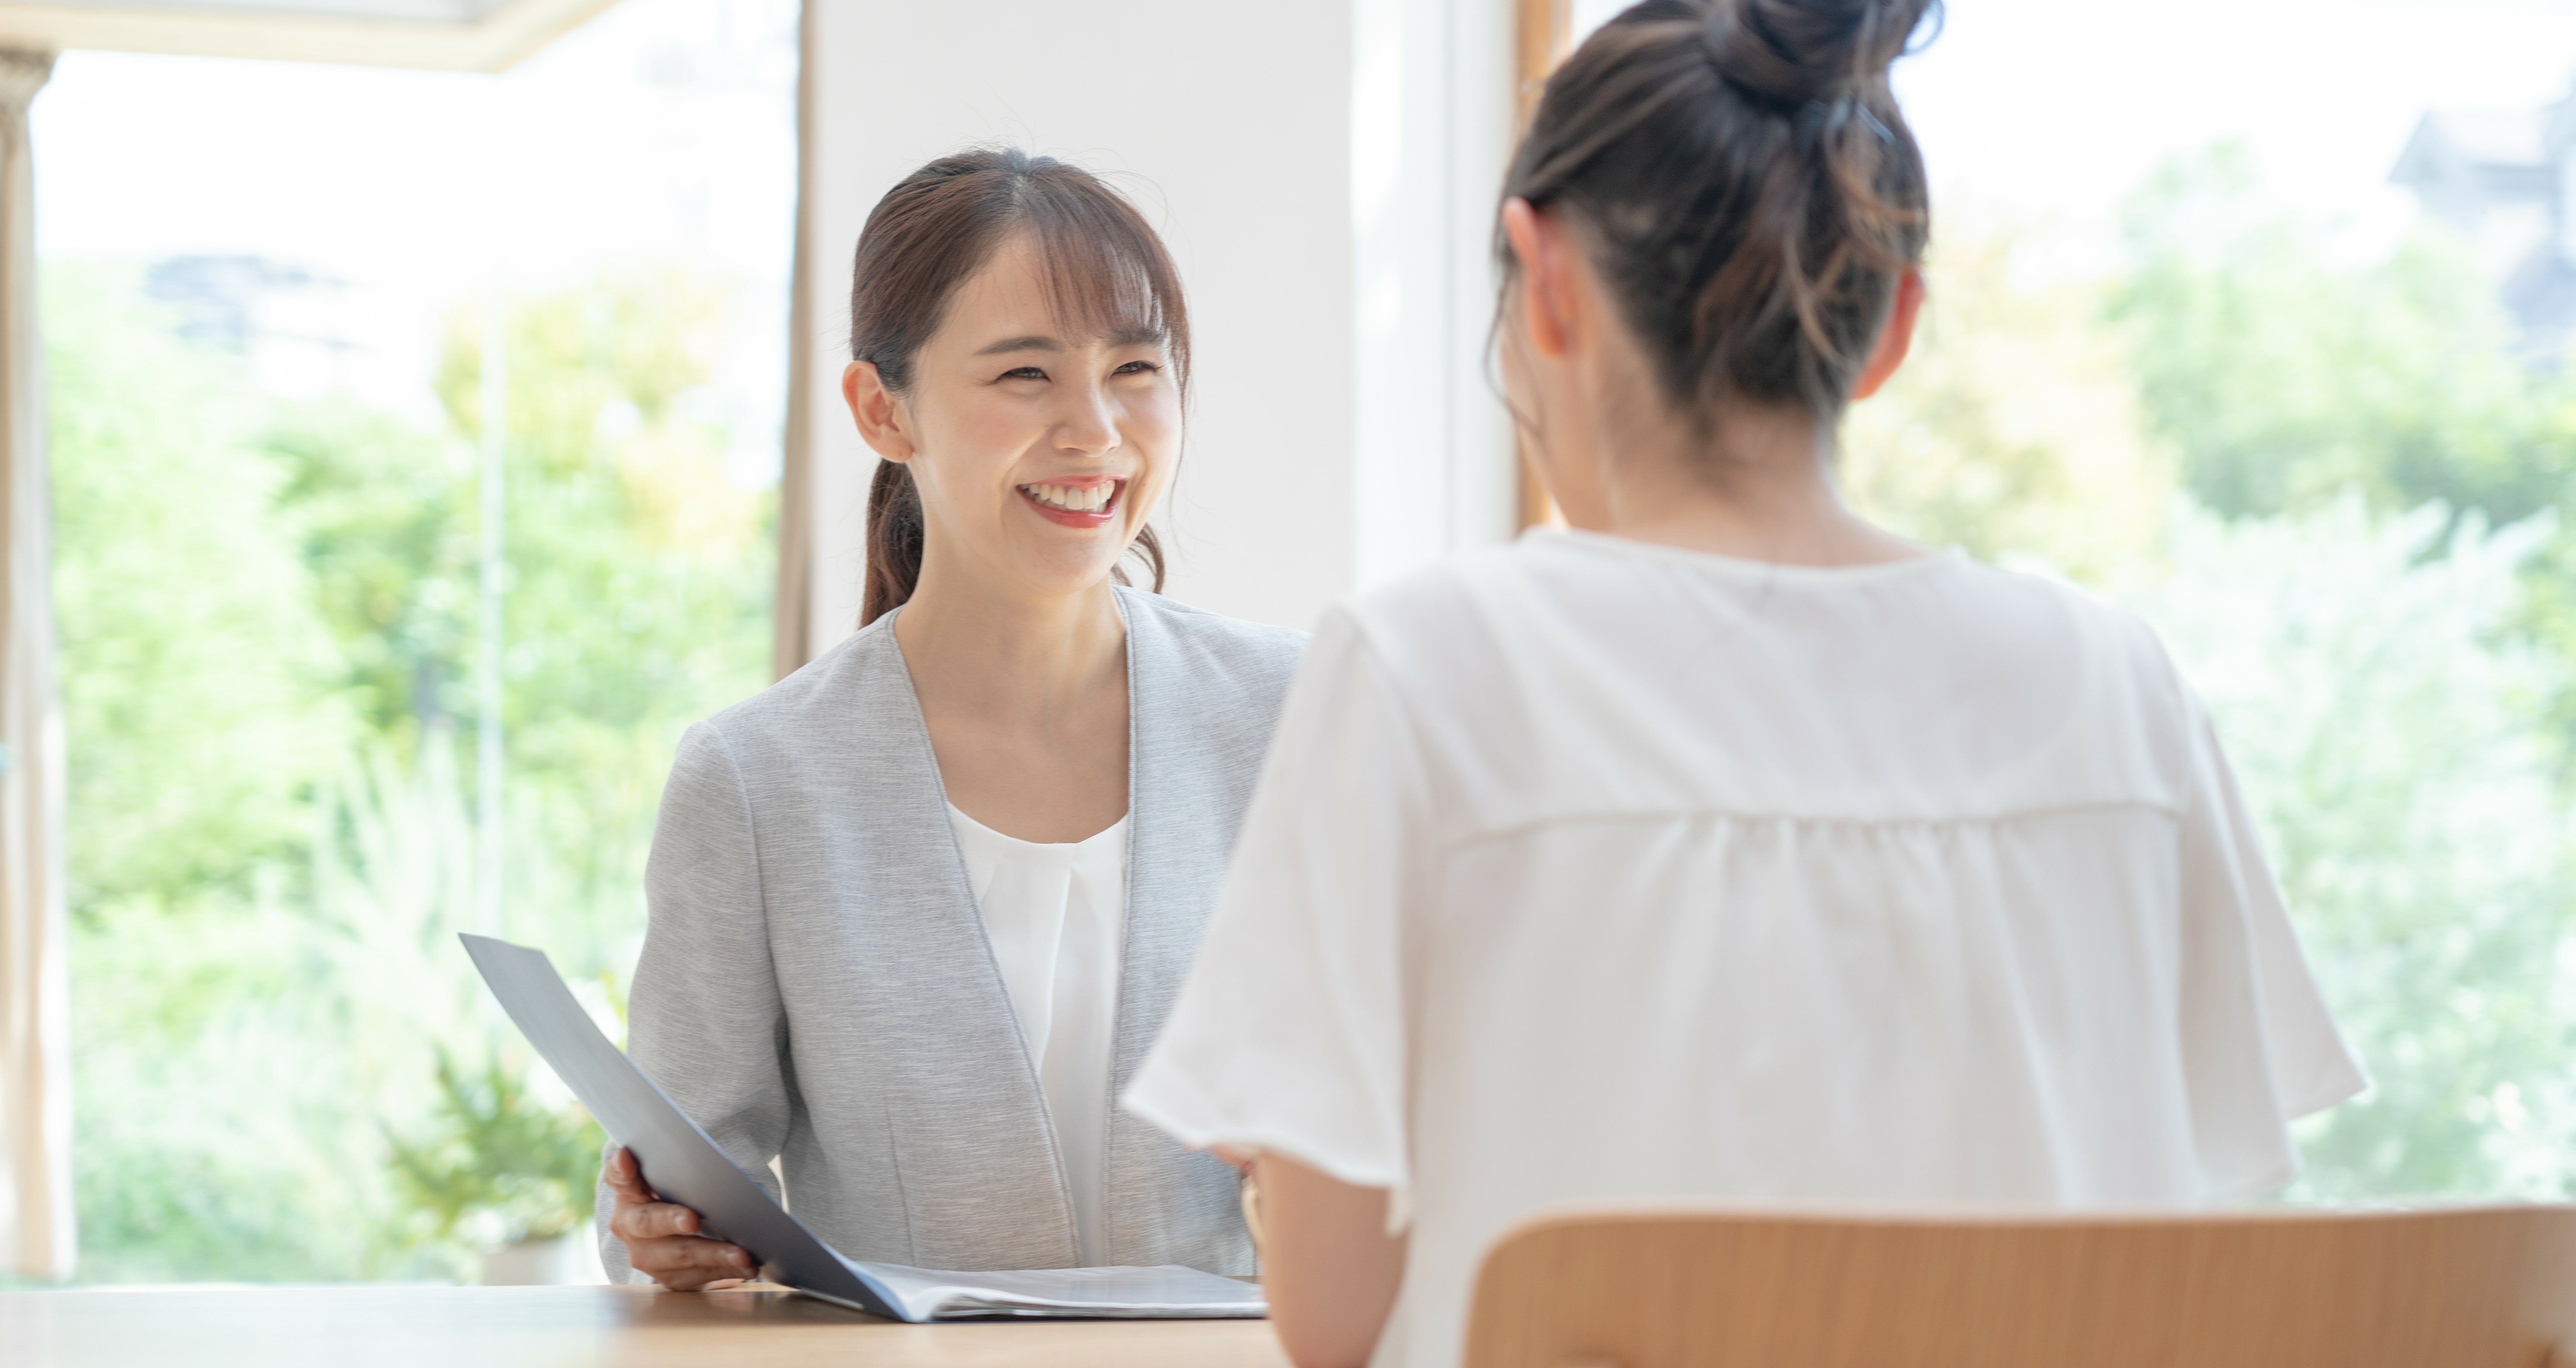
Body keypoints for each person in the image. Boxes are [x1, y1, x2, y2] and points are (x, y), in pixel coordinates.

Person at [1119, 2, 2368, 1365]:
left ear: (1546, 277)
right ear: (1891, 325)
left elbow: (1337, 1322)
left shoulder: (1421, 668)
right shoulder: (2115, 687)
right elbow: (2188, 1254)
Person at [596, 148, 1303, 1289]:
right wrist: (661, 1240)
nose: (1095, 430)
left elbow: (1419, 1120)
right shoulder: (757, 778)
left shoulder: (1296, 716)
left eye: (1135, 368)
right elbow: (666, 1193)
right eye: (1025, 373)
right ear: (884, 411)